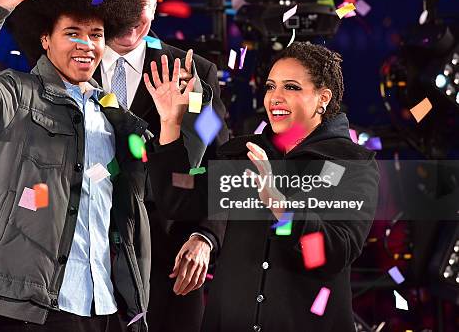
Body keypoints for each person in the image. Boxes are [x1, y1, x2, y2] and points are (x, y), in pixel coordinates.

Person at [0, 0, 152, 332]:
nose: (86, 44)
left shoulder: (116, 117)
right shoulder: (17, 95)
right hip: (33, 307)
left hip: (106, 305)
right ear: (46, 40)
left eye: (96, 34)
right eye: (72, 33)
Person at [143, 42, 380, 331]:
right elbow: (180, 199)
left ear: (323, 99)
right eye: (270, 86)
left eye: (291, 87)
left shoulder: (352, 163)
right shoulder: (242, 153)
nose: (275, 98)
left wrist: (281, 207)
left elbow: (332, 253)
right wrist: (171, 124)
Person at [94, 0, 229, 332]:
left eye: (143, 3)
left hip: (169, 261)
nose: (131, 15)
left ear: (156, 5)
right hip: (80, 260)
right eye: (121, 1)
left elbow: (220, 163)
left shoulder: (194, 74)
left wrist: (206, 236)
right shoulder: (69, 65)